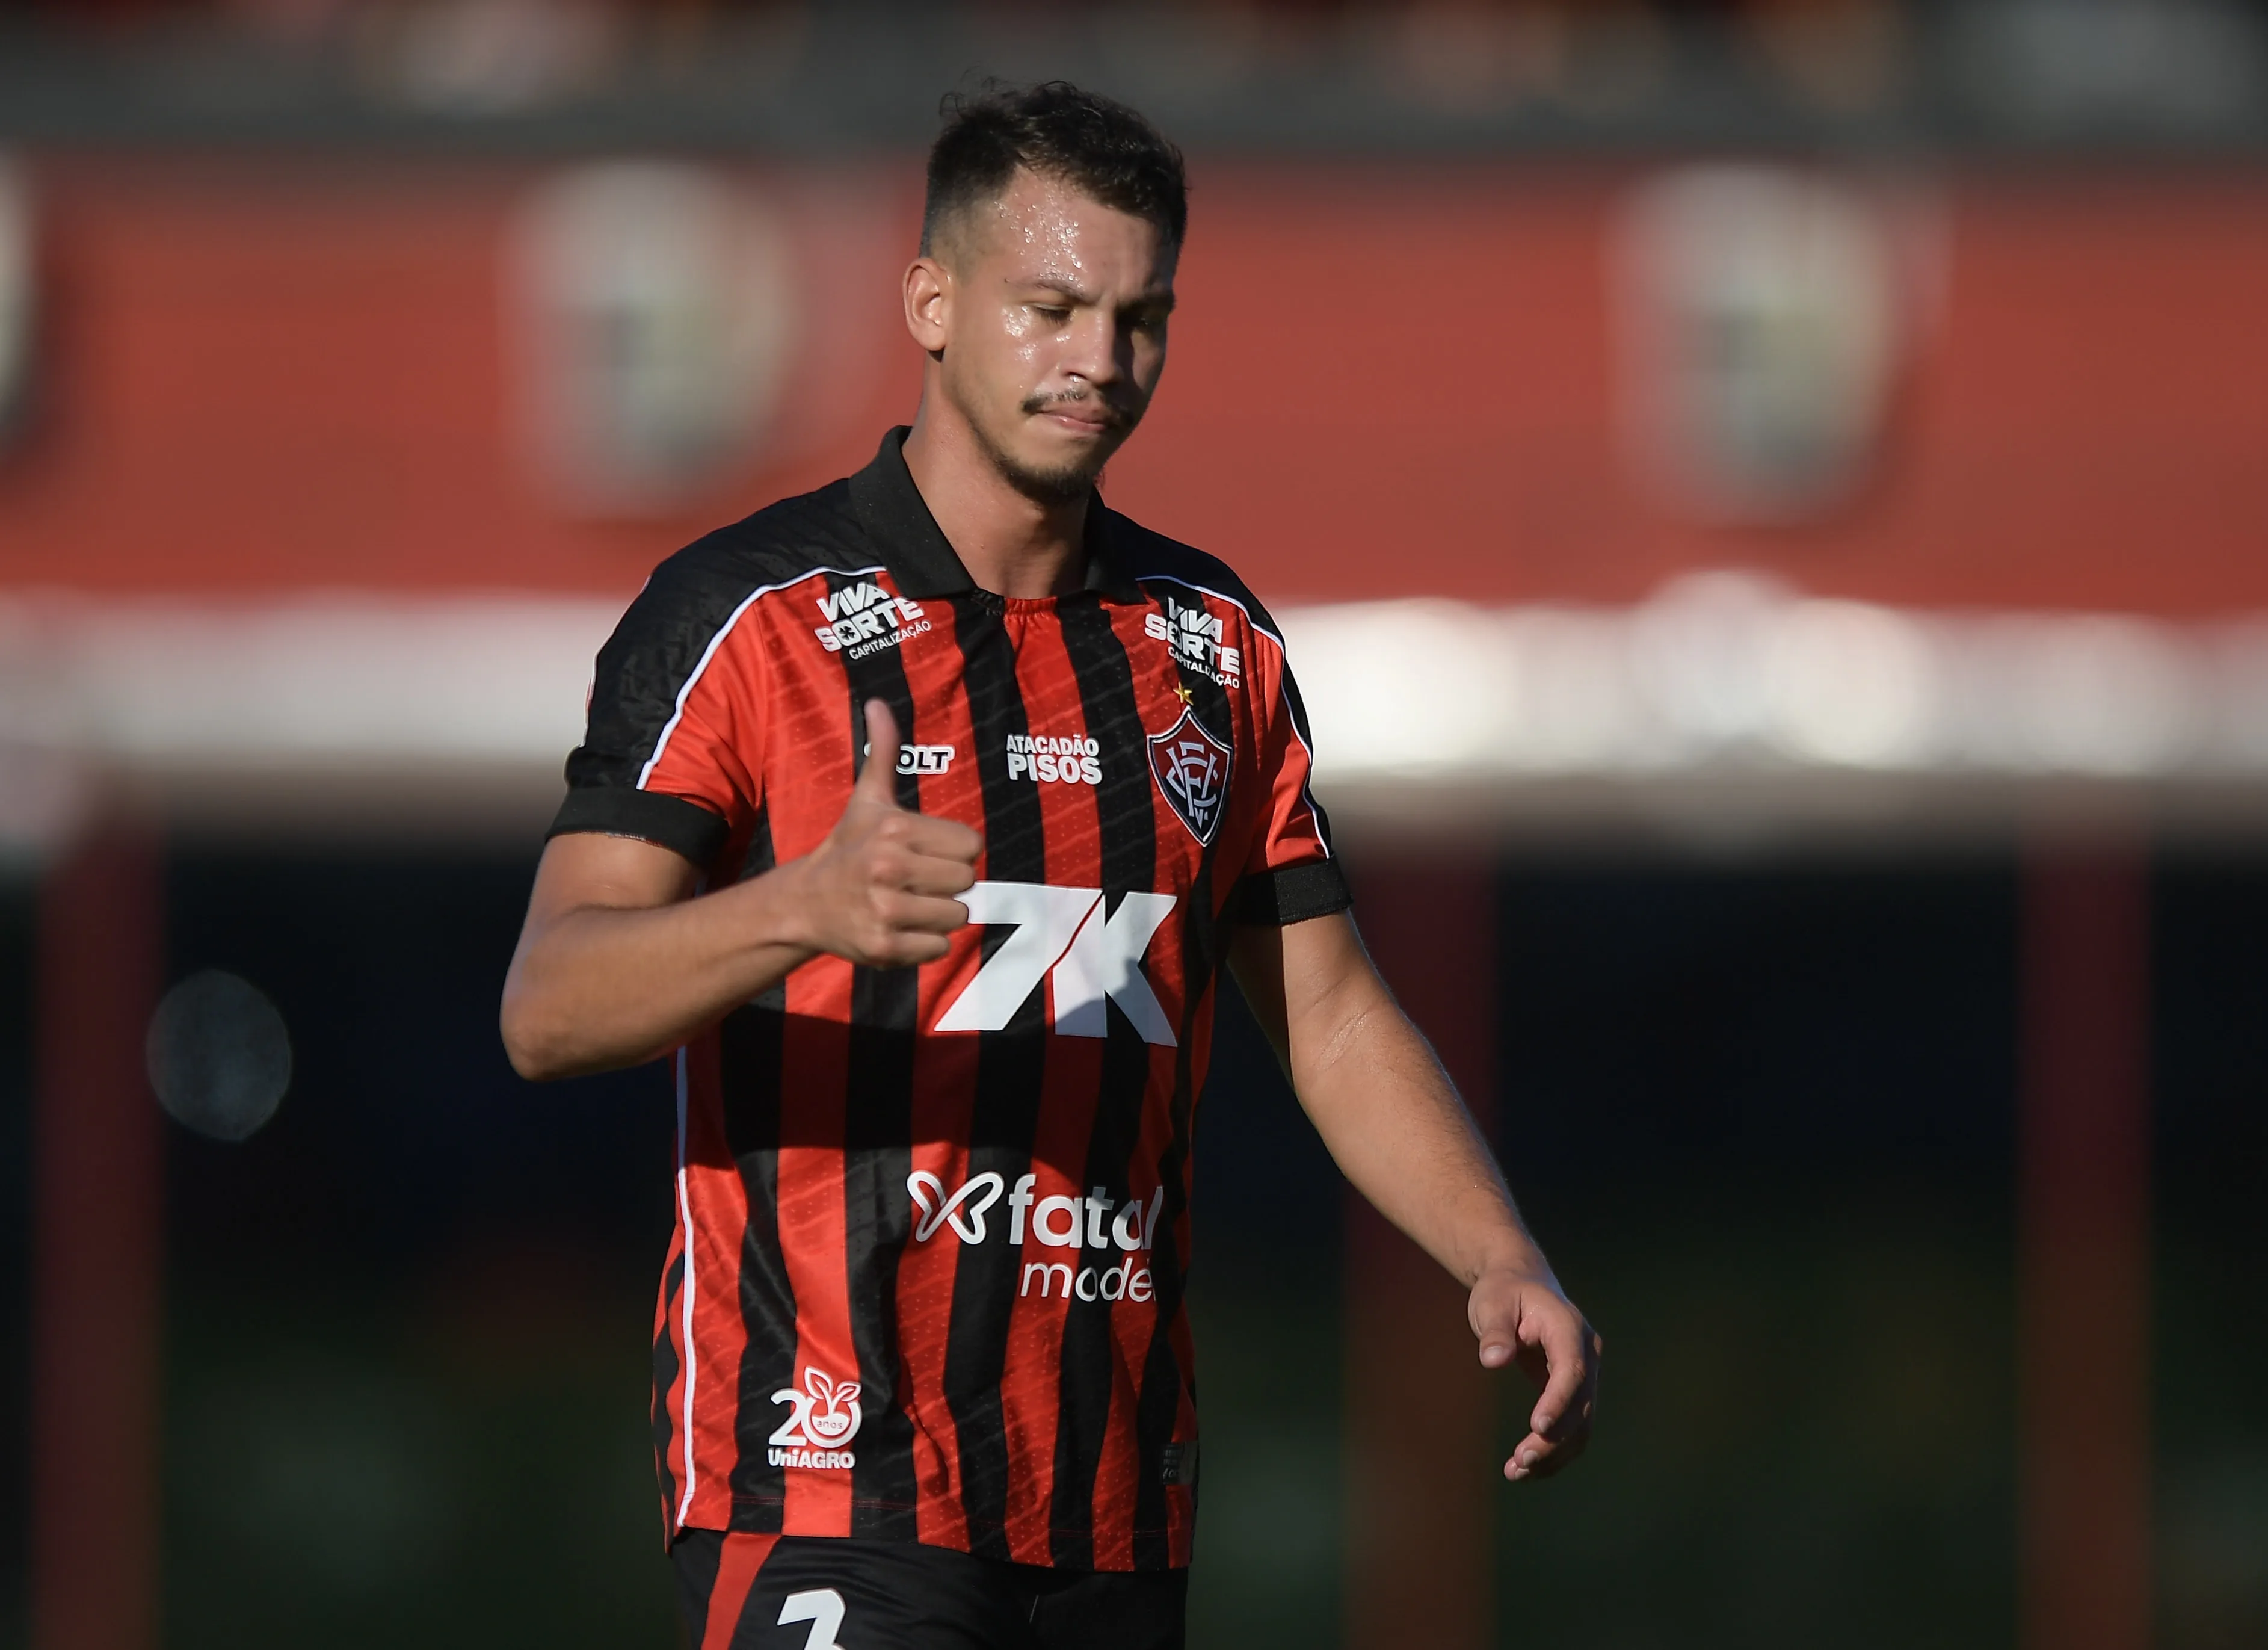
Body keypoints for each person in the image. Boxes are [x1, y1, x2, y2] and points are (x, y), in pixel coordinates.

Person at [501, 79, 1597, 1650]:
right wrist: (799, 902)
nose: (1099, 360)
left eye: (1140, 317)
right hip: (828, 1481)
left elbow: (1333, 1013)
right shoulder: (748, 616)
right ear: (930, 303)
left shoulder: (1212, 647)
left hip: (1111, 1499)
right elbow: (547, 1003)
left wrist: (1499, 1249)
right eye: (1053, 308)